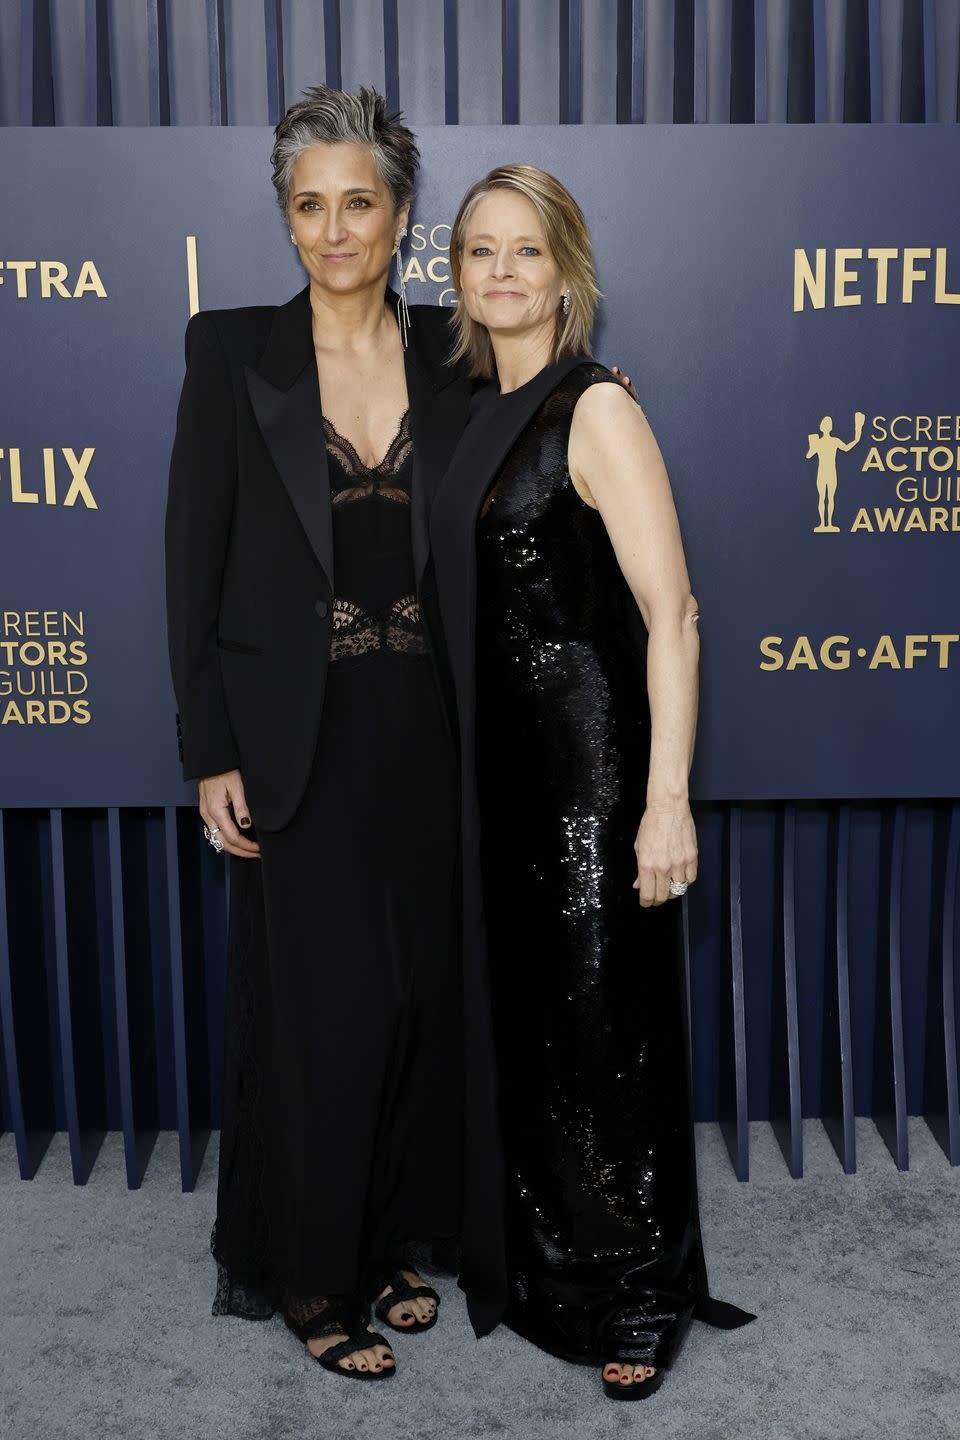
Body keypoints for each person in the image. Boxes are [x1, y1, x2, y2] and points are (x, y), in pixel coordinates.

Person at [165, 85, 504, 1383]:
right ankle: (314, 1271)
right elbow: (190, 563)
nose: (333, 228)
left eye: (358, 201)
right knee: (320, 1008)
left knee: (420, 992)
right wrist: (209, 745)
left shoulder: (453, 353)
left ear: (402, 215)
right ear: (288, 220)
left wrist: (599, 404)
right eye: (308, 206)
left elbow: (527, 472)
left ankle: (389, 1239)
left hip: (429, 726)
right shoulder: (230, 352)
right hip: (291, 733)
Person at [429, 164, 756, 1401]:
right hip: (494, 778)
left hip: (593, 772)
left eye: (526, 251)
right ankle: (551, 1265)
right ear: (454, 275)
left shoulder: (597, 412)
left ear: (566, 270)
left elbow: (671, 615)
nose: (502, 272)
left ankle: (634, 1289)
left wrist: (664, 798)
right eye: (477, 253)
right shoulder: (466, 408)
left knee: (604, 1027)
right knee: (529, 1026)